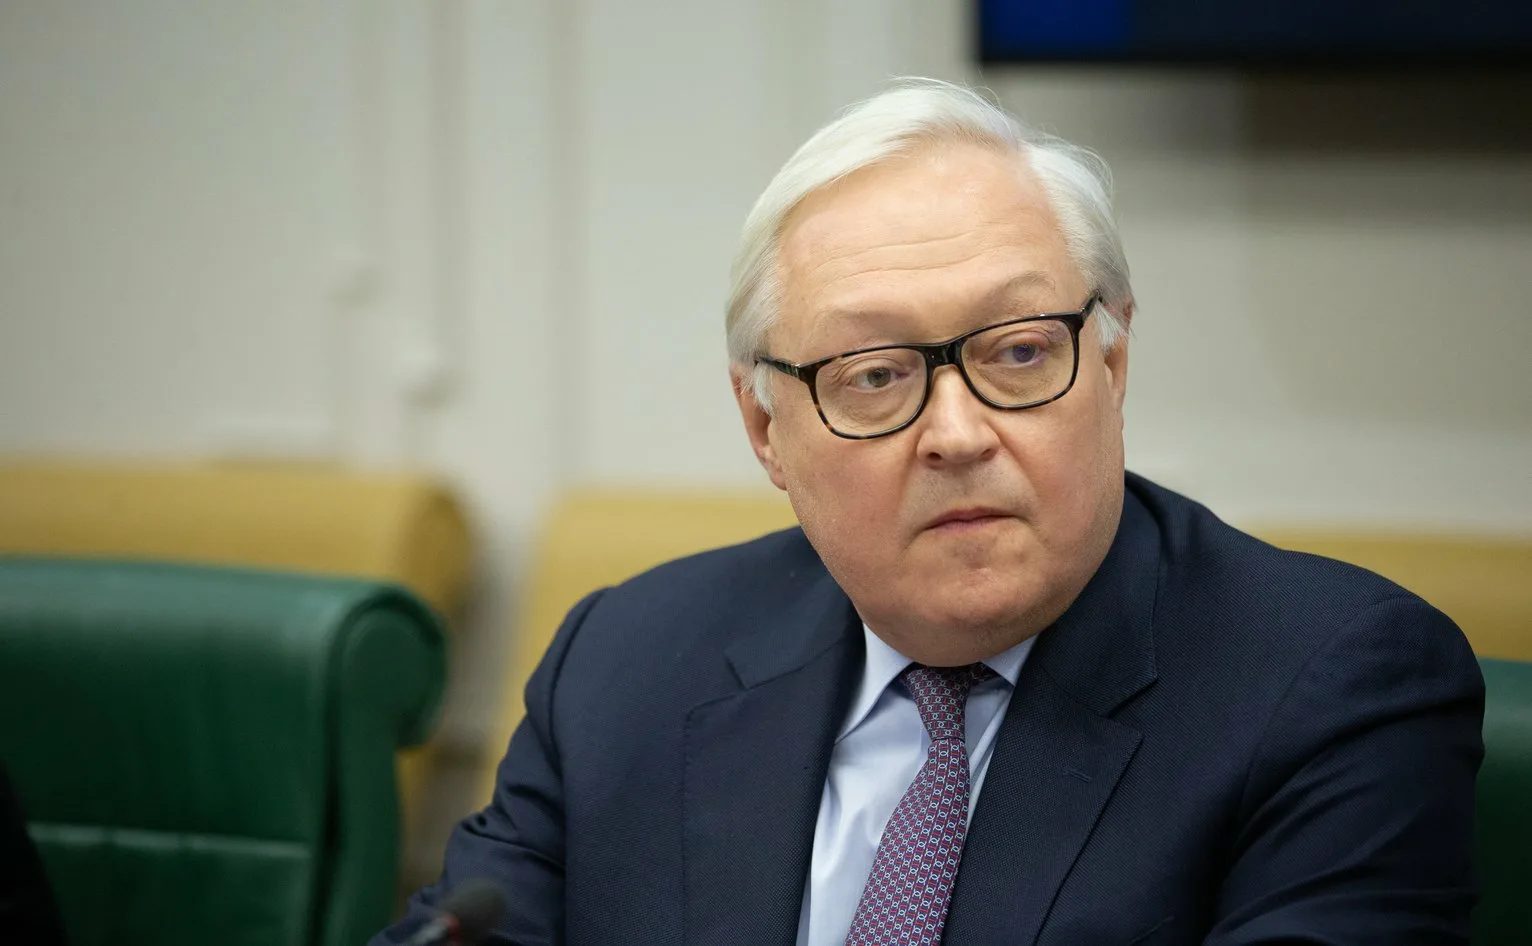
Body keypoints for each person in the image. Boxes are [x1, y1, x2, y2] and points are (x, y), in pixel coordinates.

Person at [374, 78, 1483, 945]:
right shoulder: (627, 664)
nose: (957, 432)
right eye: (873, 375)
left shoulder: (1334, 688)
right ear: (764, 428)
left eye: (1018, 353)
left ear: (1110, 363)